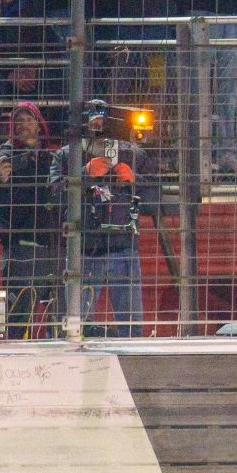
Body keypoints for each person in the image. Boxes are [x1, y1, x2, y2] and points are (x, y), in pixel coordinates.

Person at [50, 99, 160, 337]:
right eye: (91, 117)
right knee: (78, 326)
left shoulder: (133, 154)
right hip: (85, 250)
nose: (97, 122)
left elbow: (155, 200)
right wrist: (84, 175)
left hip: (123, 247)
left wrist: (133, 181)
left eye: (102, 117)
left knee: (130, 328)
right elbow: (53, 198)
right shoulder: (67, 155)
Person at [0, 103, 57, 338]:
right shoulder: (6, 157)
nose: (23, 125)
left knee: (56, 314)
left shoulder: (51, 156)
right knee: (18, 315)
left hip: (50, 244)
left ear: (40, 125)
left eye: (28, 120)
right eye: (18, 121)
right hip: (19, 247)